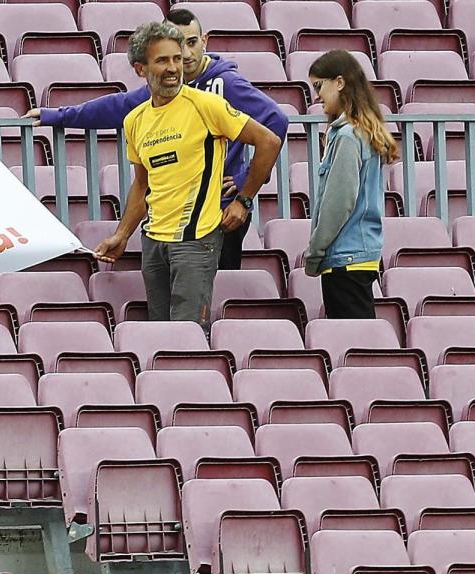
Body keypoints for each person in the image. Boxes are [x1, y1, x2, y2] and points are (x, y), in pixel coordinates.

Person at [24, 8, 288, 270]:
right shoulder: (167, 89)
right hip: (173, 216)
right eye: (178, 45)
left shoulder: (225, 84)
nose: (186, 54)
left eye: (192, 43)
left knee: (215, 295)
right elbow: (119, 106)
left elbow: (276, 121)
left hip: (219, 212)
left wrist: (244, 187)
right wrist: (58, 115)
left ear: (204, 41)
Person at [93, 22, 281, 332]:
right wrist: (122, 234)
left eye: (176, 59)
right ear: (140, 69)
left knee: (188, 340)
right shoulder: (135, 120)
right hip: (154, 243)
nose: (173, 68)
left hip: (196, 243)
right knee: (160, 336)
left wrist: (243, 200)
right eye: (162, 60)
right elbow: (142, 184)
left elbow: (269, 140)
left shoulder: (206, 105)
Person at [303, 50, 398, 319]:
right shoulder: (363, 132)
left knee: (351, 344)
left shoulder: (347, 137)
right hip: (359, 256)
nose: (317, 95)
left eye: (319, 86)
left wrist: (315, 252)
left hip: (345, 260)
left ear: (340, 83)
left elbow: (338, 203)